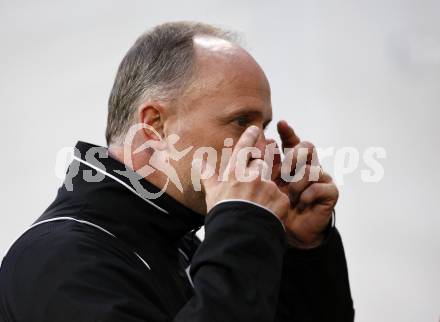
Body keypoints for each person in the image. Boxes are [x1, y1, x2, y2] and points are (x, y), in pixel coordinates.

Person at [0, 22, 354, 322]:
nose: (265, 149)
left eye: (264, 126)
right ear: (155, 125)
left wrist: (301, 252)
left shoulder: (181, 245)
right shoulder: (61, 261)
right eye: (242, 122)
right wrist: (244, 227)